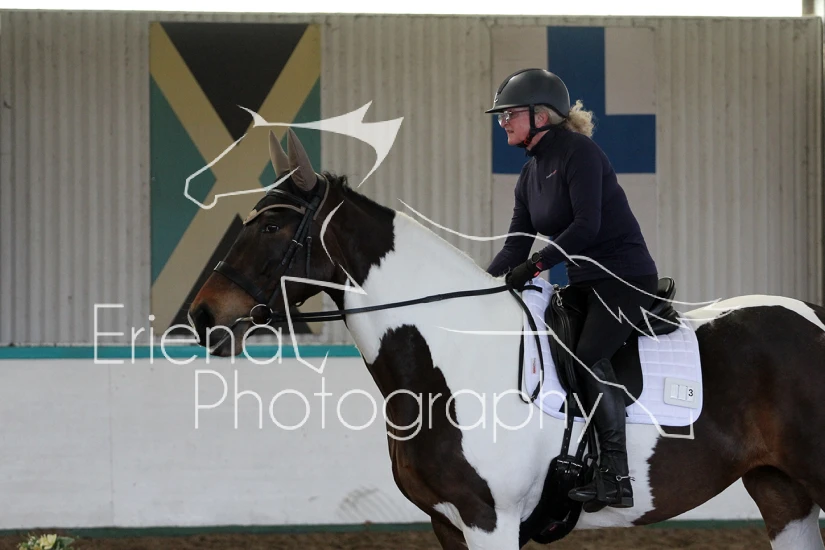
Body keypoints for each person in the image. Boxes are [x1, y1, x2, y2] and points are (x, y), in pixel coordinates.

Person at [485, 68, 659, 512]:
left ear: (540, 116)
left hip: (624, 278)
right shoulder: (529, 174)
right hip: (583, 283)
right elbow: (515, 246)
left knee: (587, 355)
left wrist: (536, 266)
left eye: (509, 114)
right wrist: (481, 286)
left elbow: (587, 226)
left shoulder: (580, 153)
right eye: (501, 116)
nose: (503, 122)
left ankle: (616, 476)